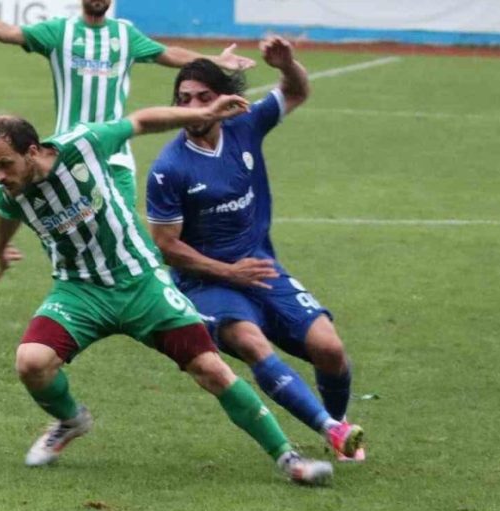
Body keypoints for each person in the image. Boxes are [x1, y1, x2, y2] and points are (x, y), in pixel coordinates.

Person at [0, 98, 336, 486]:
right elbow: (7, 217)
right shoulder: (9, 192)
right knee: (31, 362)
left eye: (5, 164)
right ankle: (70, 420)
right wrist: (0, 250)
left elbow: (142, 120)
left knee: (211, 369)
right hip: (79, 291)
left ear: (32, 151)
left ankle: (289, 459)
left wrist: (202, 114)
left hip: (141, 282)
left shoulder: (83, 144)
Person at [145, 36, 365, 462]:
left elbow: (297, 90)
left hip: (260, 267)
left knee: (330, 349)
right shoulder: (168, 168)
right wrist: (230, 273)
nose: (192, 107)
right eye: (183, 99)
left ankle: (334, 428)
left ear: (224, 100)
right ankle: (332, 429)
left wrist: (287, 65)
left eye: (203, 97)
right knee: (250, 341)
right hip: (206, 282)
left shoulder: (245, 126)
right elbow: (167, 246)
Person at [0, 0, 254, 206]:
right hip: (68, 155)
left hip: (115, 156)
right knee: (74, 239)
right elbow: (10, 32)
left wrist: (214, 59)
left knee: (123, 232)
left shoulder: (125, 35)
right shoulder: (60, 32)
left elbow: (168, 54)